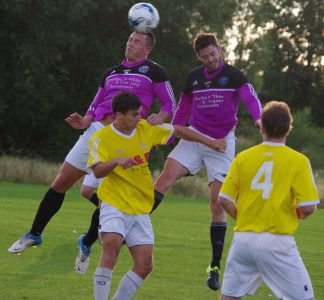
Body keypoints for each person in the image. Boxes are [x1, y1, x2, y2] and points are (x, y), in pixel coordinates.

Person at [8, 31, 176, 262]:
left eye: (136, 41)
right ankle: (35, 233)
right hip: (96, 132)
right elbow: (96, 102)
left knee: (103, 195)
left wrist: (163, 115)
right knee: (61, 182)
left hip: (124, 139)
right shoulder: (111, 72)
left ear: (148, 49)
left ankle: (87, 240)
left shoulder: (155, 71)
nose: (130, 43)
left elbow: (170, 102)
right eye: (129, 39)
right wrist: (86, 120)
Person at [90, 92, 226, 300]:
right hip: (113, 203)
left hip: (141, 206)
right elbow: (98, 171)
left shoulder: (145, 128)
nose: (139, 118)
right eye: (134, 115)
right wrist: (115, 161)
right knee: (112, 246)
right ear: (118, 114)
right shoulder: (101, 138)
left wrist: (211, 143)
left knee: (145, 265)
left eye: (140, 114)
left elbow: (179, 131)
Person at [153, 31, 262, 291]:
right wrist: (173, 133)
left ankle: (214, 267)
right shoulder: (194, 78)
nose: (210, 60)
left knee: (217, 204)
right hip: (194, 138)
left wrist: (259, 119)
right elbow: (181, 113)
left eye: (213, 54)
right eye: (205, 57)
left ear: (220, 49)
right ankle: (130, 227)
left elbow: (250, 98)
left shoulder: (234, 75)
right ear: (199, 57)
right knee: (164, 179)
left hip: (222, 143)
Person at [218, 101, 319, 300]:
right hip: (276, 241)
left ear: (261, 126)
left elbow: (223, 199)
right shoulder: (298, 160)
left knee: (229, 297)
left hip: (243, 239)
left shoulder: (243, 157)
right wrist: (298, 213)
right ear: (289, 128)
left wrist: (244, 217)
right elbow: (308, 207)